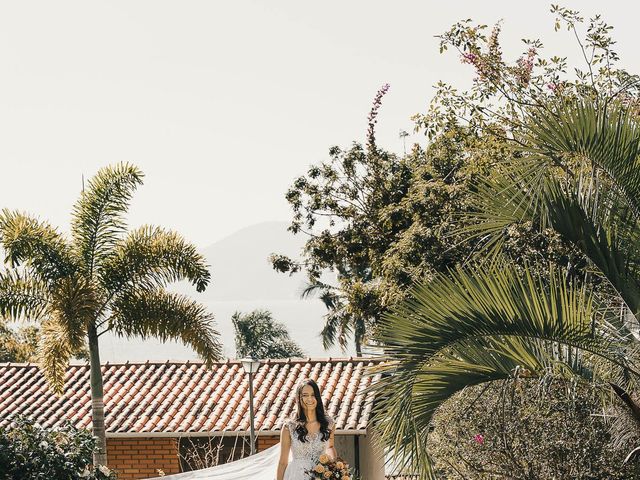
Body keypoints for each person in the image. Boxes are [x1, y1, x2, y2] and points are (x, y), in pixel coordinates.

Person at [276, 378, 337, 480]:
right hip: (296, 476)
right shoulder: (289, 427)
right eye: (305, 395)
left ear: (317, 397)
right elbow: (283, 462)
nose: (309, 399)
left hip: (321, 476)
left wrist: (334, 468)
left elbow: (330, 447)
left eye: (313, 395)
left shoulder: (328, 424)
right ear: (299, 398)